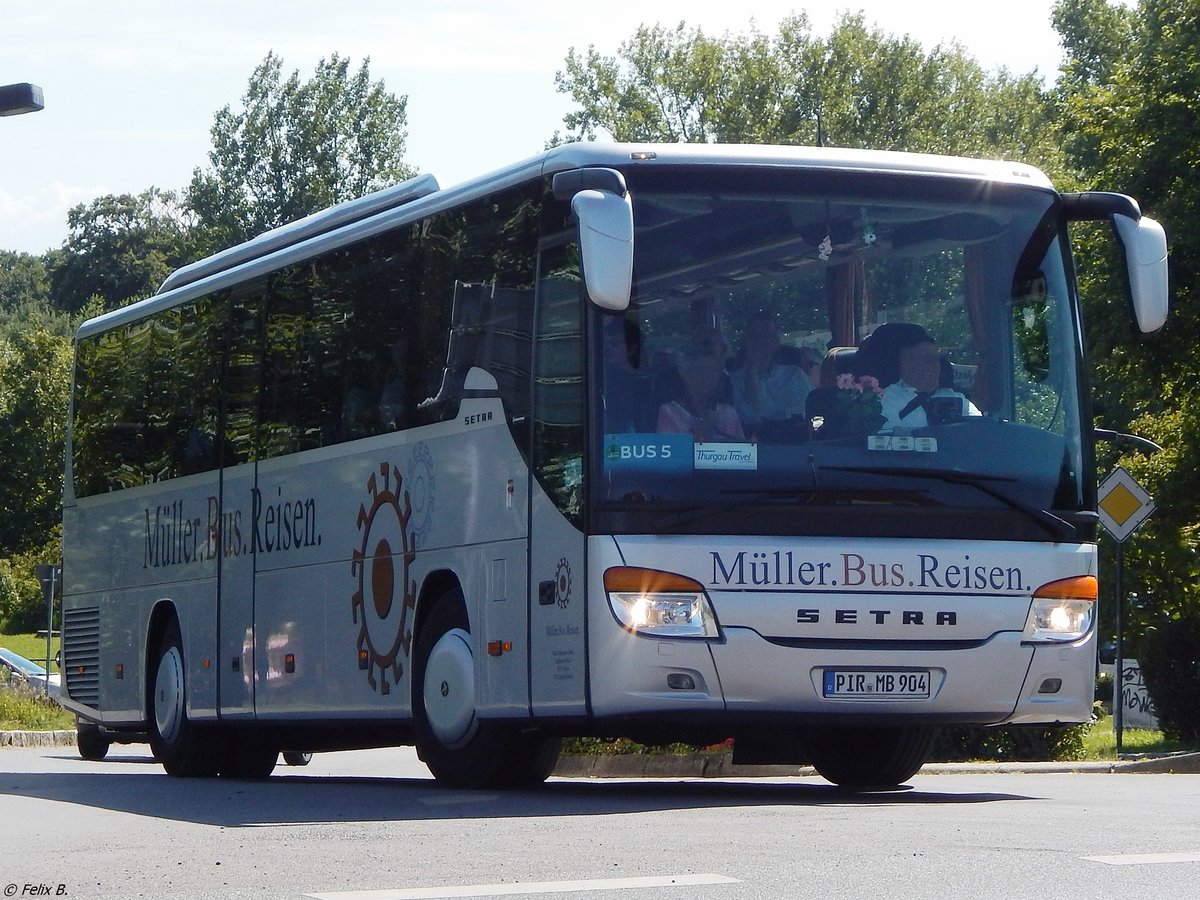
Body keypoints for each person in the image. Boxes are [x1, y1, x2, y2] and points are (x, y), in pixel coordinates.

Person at [870, 323, 979, 429]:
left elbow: (981, 431)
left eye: (936, 359)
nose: (934, 365)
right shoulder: (886, 399)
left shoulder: (957, 398)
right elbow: (893, 442)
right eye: (925, 359)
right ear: (904, 364)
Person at [728, 311, 812, 434]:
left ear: (775, 342)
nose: (759, 342)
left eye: (765, 335)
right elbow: (748, 419)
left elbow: (811, 412)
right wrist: (752, 374)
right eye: (753, 336)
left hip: (796, 442)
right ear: (746, 341)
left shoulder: (795, 375)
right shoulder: (733, 381)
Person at [657, 332, 744, 441]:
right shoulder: (669, 412)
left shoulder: (729, 413)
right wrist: (703, 428)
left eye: (713, 372)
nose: (708, 377)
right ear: (686, 375)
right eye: (701, 371)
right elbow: (668, 453)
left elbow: (744, 453)